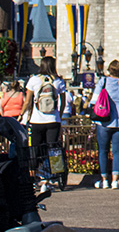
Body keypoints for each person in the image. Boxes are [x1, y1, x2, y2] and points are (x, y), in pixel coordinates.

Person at [24, 56, 67, 192]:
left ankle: (35, 177)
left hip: (36, 121)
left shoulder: (34, 80)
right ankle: (49, 178)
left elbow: (28, 101)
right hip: (53, 121)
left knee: (35, 150)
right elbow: (63, 102)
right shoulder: (58, 81)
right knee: (52, 149)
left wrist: (22, 114)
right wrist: (58, 115)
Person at [93, 59, 119, 190]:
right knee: (117, 151)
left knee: (103, 150)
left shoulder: (103, 82)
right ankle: (115, 180)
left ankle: (104, 179)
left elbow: (94, 99)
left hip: (105, 118)